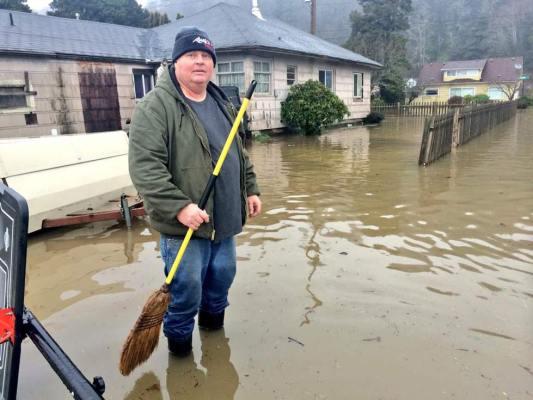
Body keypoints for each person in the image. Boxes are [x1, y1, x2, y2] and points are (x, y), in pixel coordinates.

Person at [128, 26, 261, 357]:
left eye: (206, 56)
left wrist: (250, 188)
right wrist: (179, 207)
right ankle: (181, 358)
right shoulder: (154, 107)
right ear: (176, 62)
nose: (200, 62)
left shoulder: (221, 103)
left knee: (221, 281)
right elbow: (145, 168)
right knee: (186, 291)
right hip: (184, 225)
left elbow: (237, 153)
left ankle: (214, 342)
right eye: (192, 55)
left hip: (225, 218)